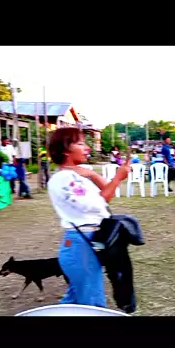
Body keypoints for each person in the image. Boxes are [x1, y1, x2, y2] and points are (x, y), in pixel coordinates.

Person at [47, 126, 130, 307]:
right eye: (80, 144)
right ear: (65, 149)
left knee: (76, 300)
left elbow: (108, 191)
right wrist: (117, 178)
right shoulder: (64, 178)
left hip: (86, 241)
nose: (87, 148)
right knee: (92, 303)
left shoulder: (76, 175)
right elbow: (99, 203)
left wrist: (92, 174)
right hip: (80, 244)